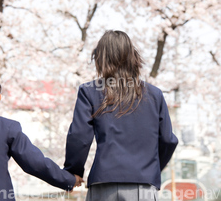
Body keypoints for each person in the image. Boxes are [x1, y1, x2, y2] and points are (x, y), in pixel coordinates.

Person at [64, 30, 178, 201]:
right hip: (143, 185)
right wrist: (149, 168)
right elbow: (168, 140)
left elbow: (79, 136)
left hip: (104, 183)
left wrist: (73, 171)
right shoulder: (155, 95)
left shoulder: (89, 91)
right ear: (132, 57)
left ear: (100, 58)